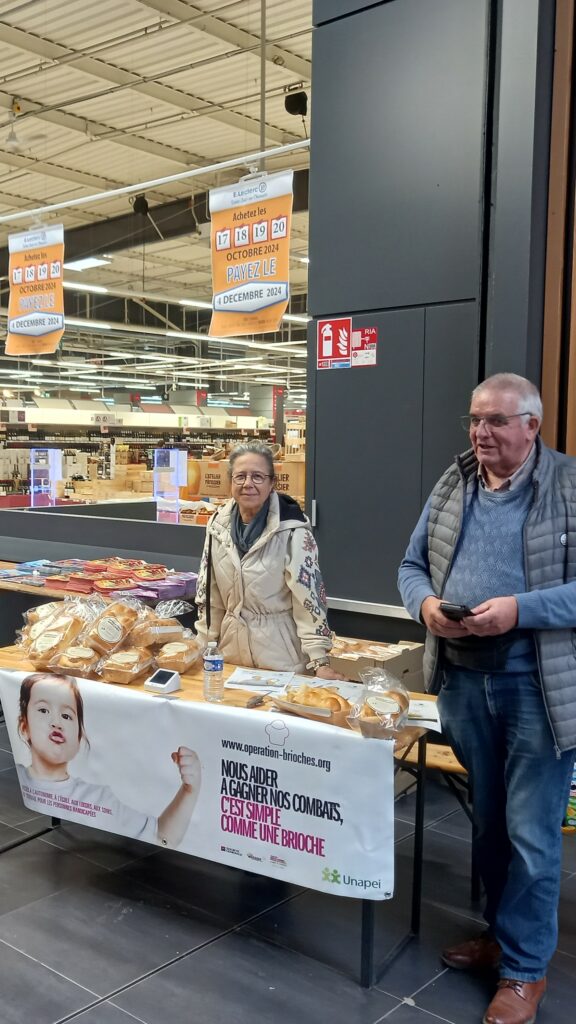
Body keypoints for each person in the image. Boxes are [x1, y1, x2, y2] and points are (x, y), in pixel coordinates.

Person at [398, 373, 576, 1024]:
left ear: (532, 425)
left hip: (535, 685)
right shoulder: (455, 483)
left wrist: (519, 611)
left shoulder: (567, 484)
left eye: (498, 421)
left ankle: (526, 971)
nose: (482, 432)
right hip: (464, 680)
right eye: (476, 419)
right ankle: (501, 936)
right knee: (490, 823)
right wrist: (425, 607)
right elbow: (410, 565)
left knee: (532, 833)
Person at [195, 441, 337, 677]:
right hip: (230, 657)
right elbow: (210, 596)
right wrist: (202, 646)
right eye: (240, 476)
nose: (248, 484)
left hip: (281, 659)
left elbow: (309, 600)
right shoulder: (216, 527)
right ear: (231, 481)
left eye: (258, 477)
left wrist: (319, 661)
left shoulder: (293, 531)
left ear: (272, 483)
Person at [17, 672, 201, 849]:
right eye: (43, 710)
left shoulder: (98, 799)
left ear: (79, 737)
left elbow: (162, 836)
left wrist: (189, 789)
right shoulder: (18, 778)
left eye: (67, 716)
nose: (56, 722)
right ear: (24, 727)